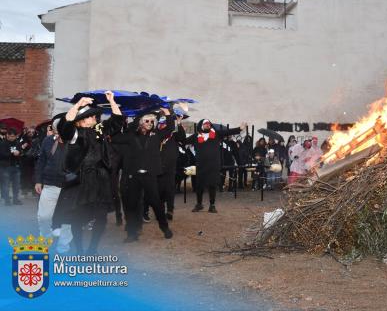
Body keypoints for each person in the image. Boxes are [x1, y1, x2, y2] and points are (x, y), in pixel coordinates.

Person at [56, 92, 124, 254]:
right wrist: (78, 104)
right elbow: (65, 124)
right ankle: (79, 249)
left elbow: (117, 121)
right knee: (77, 218)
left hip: (100, 180)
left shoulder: (99, 131)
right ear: (81, 120)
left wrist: (112, 101)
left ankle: (92, 249)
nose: (95, 119)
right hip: (80, 181)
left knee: (101, 217)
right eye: (91, 117)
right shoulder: (73, 134)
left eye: (95, 116)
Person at [111, 109, 175, 242]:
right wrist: (117, 120)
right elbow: (115, 137)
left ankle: (165, 229)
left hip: (150, 176)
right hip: (133, 176)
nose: (150, 123)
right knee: (132, 205)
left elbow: (170, 128)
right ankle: (132, 233)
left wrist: (167, 113)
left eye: (152, 121)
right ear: (140, 122)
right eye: (147, 121)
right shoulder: (130, 135)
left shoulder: (156, 135)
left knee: (156, 204)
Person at [187, 119, 247, 213]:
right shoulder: (196, 136)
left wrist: (239, 128)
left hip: (213, 165)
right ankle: (199, 204)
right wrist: (178, 126)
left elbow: (228, 131)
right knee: (199, 186)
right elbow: (183, 140)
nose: (207, 125)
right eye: (205, 124)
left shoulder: (216, 134)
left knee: (212, 185)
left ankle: (212, 205)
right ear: (201, 126)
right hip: (201, 165)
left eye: (208, 124)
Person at [35, 114, 72, 253]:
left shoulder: (75, 143)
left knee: (67, 220)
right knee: (43, 217)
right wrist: (38, 180)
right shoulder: (47, 141)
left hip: (68, 188)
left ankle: (63, 246)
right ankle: (45, 241)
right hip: (50, 185)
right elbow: (41, 162)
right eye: (56, 130)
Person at [0, 128, 23, 205]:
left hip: (15, 166)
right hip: (5, 167)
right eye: (11, 136)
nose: (12, 138)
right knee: (5, 184)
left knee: (16, 184)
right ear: (7, 135)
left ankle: (15, 199)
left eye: (14, 136)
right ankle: (7, 200)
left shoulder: (17, 143)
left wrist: (19, 153)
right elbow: (2, 154)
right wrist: (12, 153)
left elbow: (20, 151)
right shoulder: (3, 143)